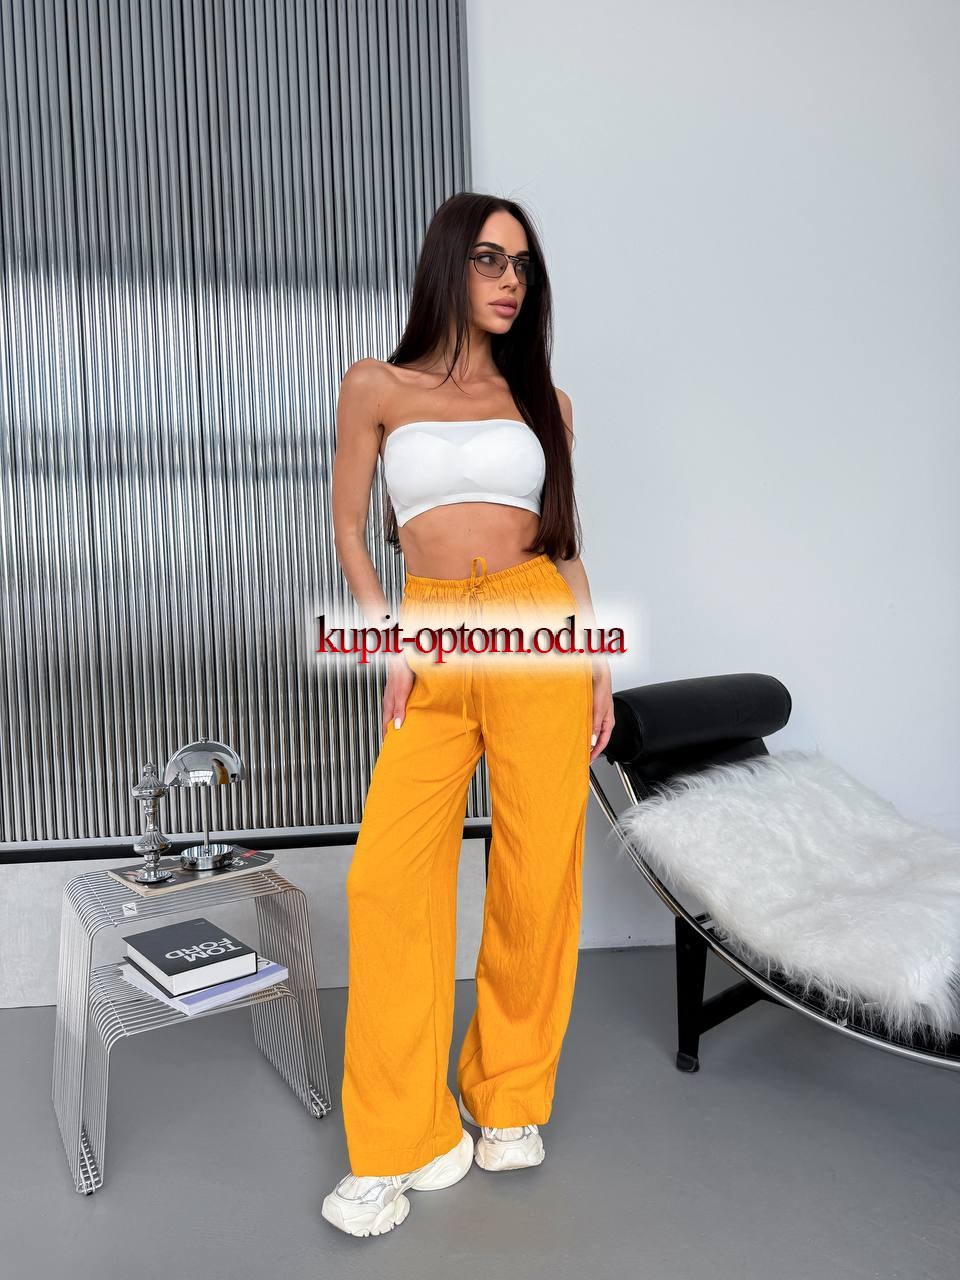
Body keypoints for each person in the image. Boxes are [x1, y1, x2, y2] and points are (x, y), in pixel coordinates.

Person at [321, 191, 615, 1237]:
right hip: (432, 631)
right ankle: (404, 1136)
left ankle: (509, 1093)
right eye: (490, 259)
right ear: (448, 262)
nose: (509, 281)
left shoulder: (547, 402)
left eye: (522, 267)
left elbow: (565, 544)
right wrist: (388, 638)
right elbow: (350, 531)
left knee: (538, 868)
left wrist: (595, 661)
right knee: (386, 878)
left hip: (539, 628)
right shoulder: (376, 385)